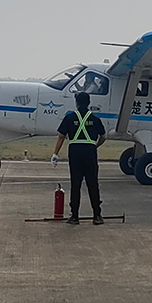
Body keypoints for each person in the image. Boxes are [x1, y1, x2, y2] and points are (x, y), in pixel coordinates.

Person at [52, 92, 106, 225]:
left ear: (76, 103)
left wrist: (55, 153)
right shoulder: (95, 118)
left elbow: (61, 136)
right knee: (92, 183)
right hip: (90, 152)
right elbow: (103, 137)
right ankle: (97, 216)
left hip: (75, 152)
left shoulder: (70, 118)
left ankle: (75, 216)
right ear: (89, 103)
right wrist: (94, 146)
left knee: (75, 184)